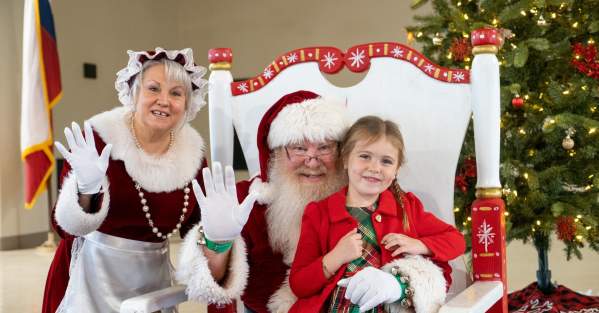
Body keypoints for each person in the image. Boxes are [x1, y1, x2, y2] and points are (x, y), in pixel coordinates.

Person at [41, 47, 210, 313]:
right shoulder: (98, 139)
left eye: (176, 93)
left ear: (188, 104)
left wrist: (217, 242)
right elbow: (64, 228)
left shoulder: (194, 156)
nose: (164, 100)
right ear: (134, 93)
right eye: (153, 89)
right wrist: (86, 191)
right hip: (87, 280)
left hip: (153, 288)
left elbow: (197, 226)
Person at [176, 90, 351, 313]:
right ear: (275, 153)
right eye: (299, 148)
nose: (313, 162)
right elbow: (212, 285)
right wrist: (218, 242)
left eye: (325, 148)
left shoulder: (361, 196)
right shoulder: (246, 200)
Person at [288, 116, 466, 313]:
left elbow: (456, 240)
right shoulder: (319, 213)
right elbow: (299, 285)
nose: (374, 168)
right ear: (346, 159)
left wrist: (419, 245)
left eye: (386, 161)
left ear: (396, 169)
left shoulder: (406, 207)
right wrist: (335, 257)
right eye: (365, 156)